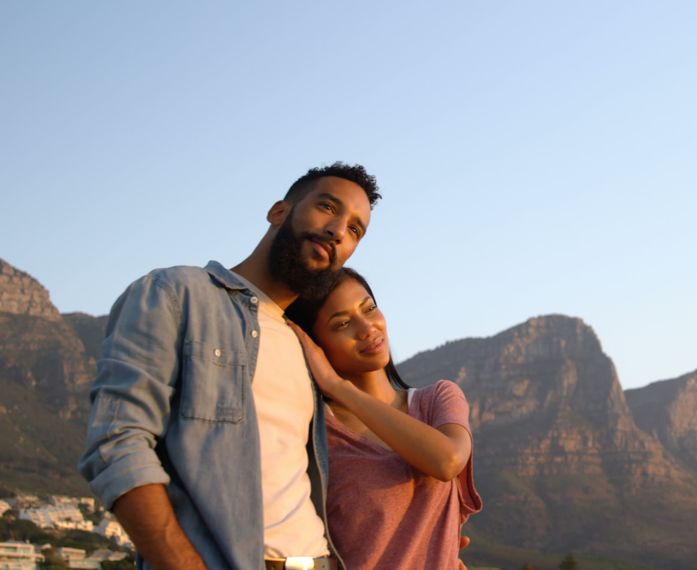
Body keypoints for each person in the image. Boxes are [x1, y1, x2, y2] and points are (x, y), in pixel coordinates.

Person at [78, 162, 379, 570]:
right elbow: (117, 441)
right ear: (279, 211)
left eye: (356, 229)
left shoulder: (308, 346)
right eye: (327, 207)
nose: (338, 230)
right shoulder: (177, 294)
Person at [285, 269, 482, 570]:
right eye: (343, 324)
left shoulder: (437, 400)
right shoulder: (313, 433)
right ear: (316, 347)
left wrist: (339, 388)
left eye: (369, 308)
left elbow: (447, 460)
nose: (367, 328)